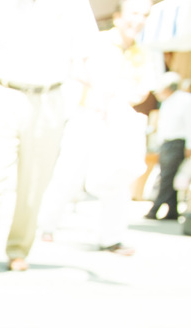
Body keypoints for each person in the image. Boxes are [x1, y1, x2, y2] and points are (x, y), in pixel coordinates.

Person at [0, 0, 100, 280]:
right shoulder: (3, 6)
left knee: (34, 182)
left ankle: (18, 249)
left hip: (50, 98)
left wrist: (96, 97)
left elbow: (88, 56)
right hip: (4, 93)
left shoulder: (74, 6)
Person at [39, 0, 161, 255]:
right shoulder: (98, 42)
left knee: (118, 176)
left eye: (145, 14)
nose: (139, 19)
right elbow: (76, 69)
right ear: (118, 17)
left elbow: (141, 90)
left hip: (119, 121)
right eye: (134, 13)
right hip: (89, 115)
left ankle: (112, 238)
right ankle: (45, 226)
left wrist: (118, 94)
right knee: (68, 172)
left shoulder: (143, 53)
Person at [146, 72, 191, 220]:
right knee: (168, 176)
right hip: (166, 143)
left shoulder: (185, 100)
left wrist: (189, 146)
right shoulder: (167, 102)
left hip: (178, 143)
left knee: (166, 177)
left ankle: (155, 209)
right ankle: (172, 211)